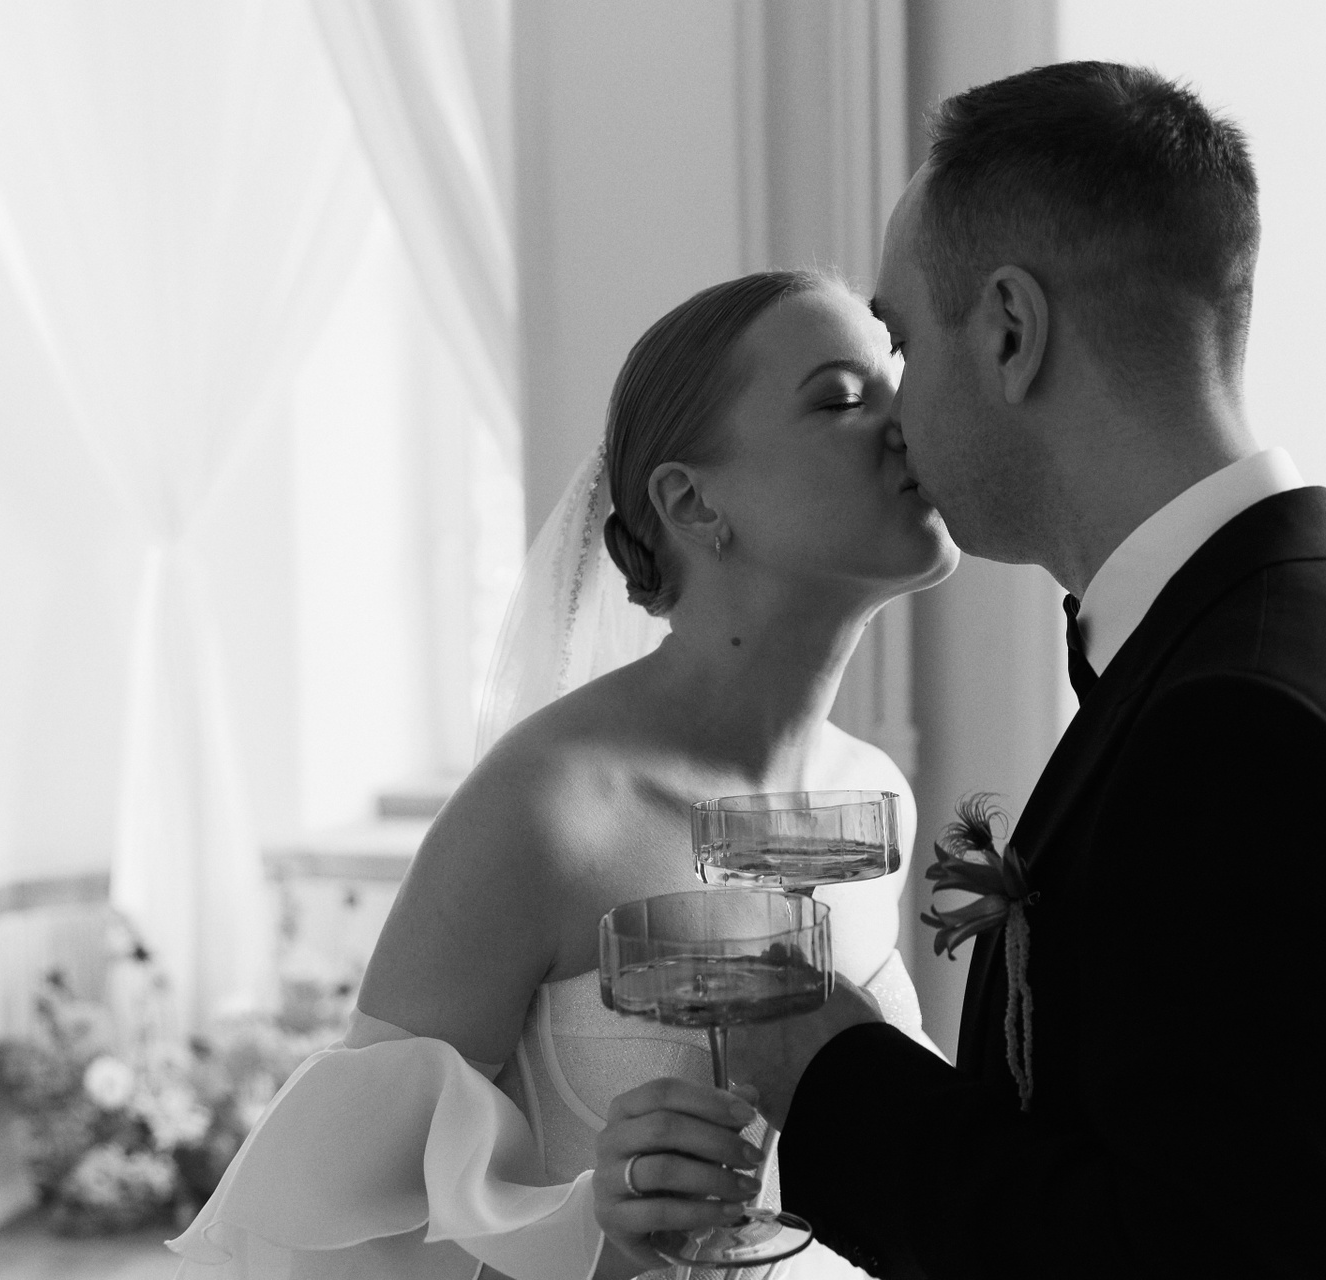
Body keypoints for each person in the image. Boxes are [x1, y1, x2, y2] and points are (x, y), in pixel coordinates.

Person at [594, 61, 1326, 1279]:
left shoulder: (1245, 726)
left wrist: (832, 1077)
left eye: (902, 342)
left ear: (1010, 330)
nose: (896, 413)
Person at [167, 268, 959, 1279]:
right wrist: (600, 1235)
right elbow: (341, 1247)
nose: (908, 423)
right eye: (844, 399)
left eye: (899, 382)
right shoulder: (545, 812)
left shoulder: (875, 800)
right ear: (693, 501)